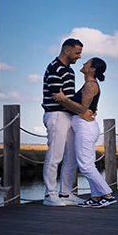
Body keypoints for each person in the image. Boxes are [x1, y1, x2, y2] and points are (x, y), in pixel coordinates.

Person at [54, 57, 116, 207]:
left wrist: (63, 98)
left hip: (85, 128)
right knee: (89, 165)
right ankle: (95, 197)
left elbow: (82, 108)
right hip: (84, 127)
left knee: (86, 166)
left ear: (92, 69)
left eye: (87, 63)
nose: (83, 63)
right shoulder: (89, 84)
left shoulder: (90, 85)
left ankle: (108, 195)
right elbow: (84, 109)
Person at [42, 38, 84, 206]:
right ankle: (50, 194)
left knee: (72, 155)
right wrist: (81, 110)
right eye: (77, 53)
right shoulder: (54, 68)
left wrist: (83, 108)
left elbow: (68, 97)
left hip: (69, 115)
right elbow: (58, 97)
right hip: (56, 114)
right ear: (67, 51)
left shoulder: (69, 71)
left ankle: (66, 193)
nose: (79, 56)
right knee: (55, 155)